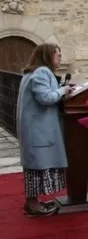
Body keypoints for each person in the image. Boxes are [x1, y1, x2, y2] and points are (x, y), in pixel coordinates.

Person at [17, 43, 74, 216]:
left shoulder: (32, 72)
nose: (60, 58)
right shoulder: (42, 72)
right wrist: (63, 90)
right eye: (57, 55)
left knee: (35, 166)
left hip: (36, 128)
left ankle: (34, 202)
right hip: (38, 130)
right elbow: (45, 97)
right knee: (36, 167)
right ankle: (32, 205)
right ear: (48, 56)